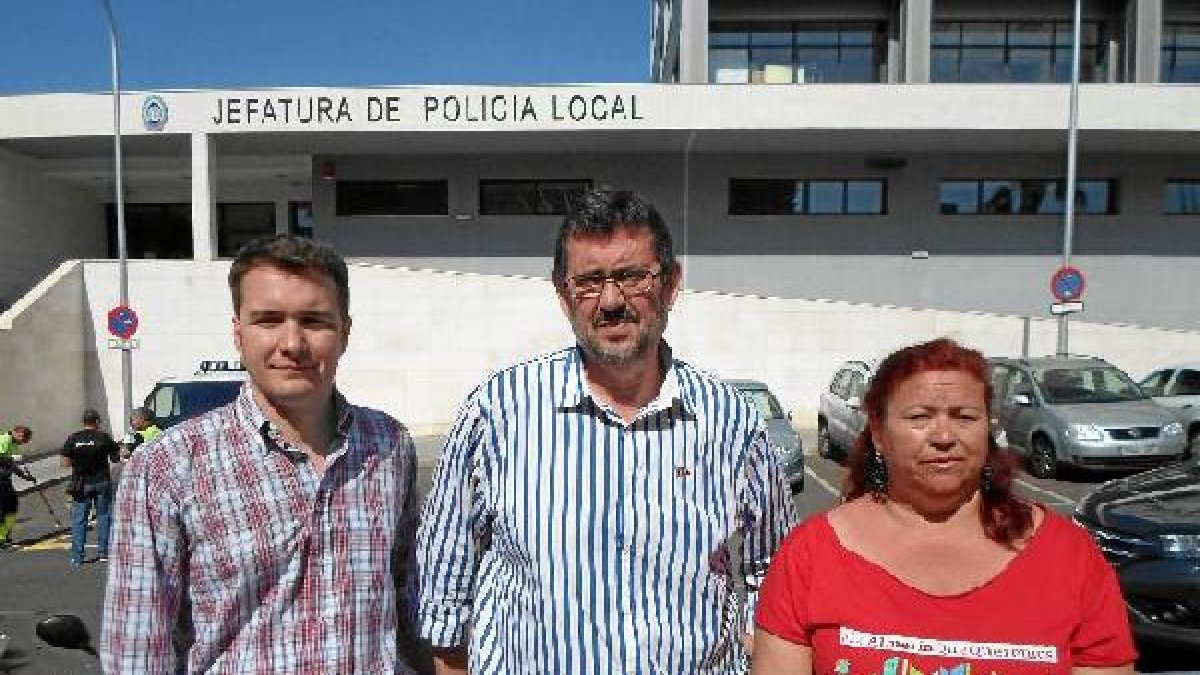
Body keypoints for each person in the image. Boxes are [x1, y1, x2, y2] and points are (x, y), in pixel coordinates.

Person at [417, 189, 796, 674]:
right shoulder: (499, 411)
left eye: (633, 276)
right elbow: (444, 574)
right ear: (563, 294)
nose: (612, 301)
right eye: (590, 282)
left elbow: (777, 571)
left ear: (671, 283)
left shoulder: (732, 422)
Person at [101, 235, 422, 673]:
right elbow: (137, 652)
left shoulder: (389, 446)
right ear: (238, 332)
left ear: (345, 332)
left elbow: (411, 605)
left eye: (314, 320)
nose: (292, 343)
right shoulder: (167, 467)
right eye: (268, 320)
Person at [752, 338, 1136, 675]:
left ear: (988, 428)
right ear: (879, 433)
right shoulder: (810, 555)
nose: (944, 436)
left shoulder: (1069, 556)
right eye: (920, 417)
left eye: (964, 417)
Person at [61, 409, 120, 567]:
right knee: (104, 516)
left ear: (84, 421)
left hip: (81, 483)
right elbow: (115, 459)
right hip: (101, 481)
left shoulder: (73, 438)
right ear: (97, 421)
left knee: (79, 520)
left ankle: (77, 557)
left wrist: (79, 462)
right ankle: (103, 553)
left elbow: (64, 464)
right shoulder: (103, 437)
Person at [0, 425, 35, 546]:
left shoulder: (14, 445)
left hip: (5, 479)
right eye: (24, 440)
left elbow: (13, 466)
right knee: (3, 508)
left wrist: (26, 477)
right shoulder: (3, 440)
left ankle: (4, 535)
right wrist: (10, 458)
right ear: (18, 434)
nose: (24, 443)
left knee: (12, 506)